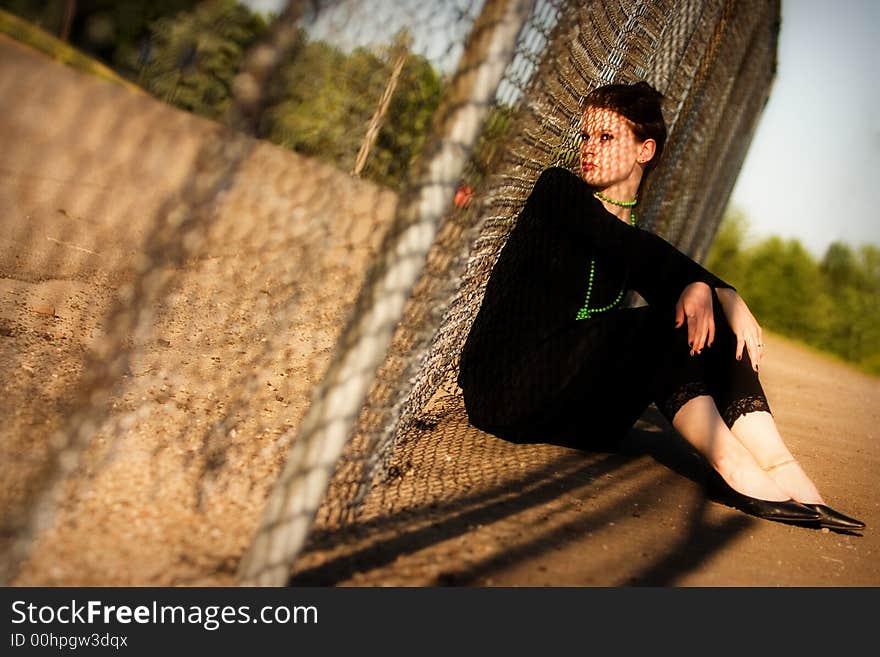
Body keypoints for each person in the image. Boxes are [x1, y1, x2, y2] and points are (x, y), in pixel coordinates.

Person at [457, 81, 864, 531]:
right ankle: (732, 467)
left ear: (644, 150)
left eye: (606, 137)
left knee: (714, 319)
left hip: (583, 418)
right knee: (662, 320)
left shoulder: (634, 240)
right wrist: (705, 286)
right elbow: (640, 254)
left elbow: (648, 256)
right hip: (509, 393)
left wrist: (725, 294)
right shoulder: (557, 195)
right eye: (587, 136)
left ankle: (780, 464)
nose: (588, 148)